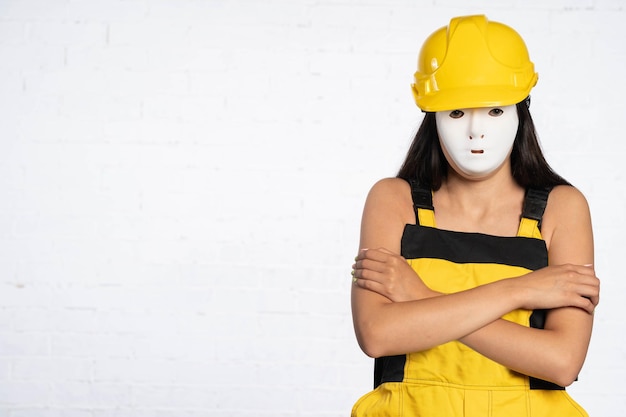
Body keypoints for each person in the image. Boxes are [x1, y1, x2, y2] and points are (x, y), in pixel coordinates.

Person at [350, 15, 600, 417]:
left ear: (522, 112)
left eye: (495, 111)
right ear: (432, 117)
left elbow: (561, 362)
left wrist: (421, 299)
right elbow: (378, 335)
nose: (475, 130)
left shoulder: (563, 207)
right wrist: (520, 290)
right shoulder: (393, 200)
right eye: (455, 113)